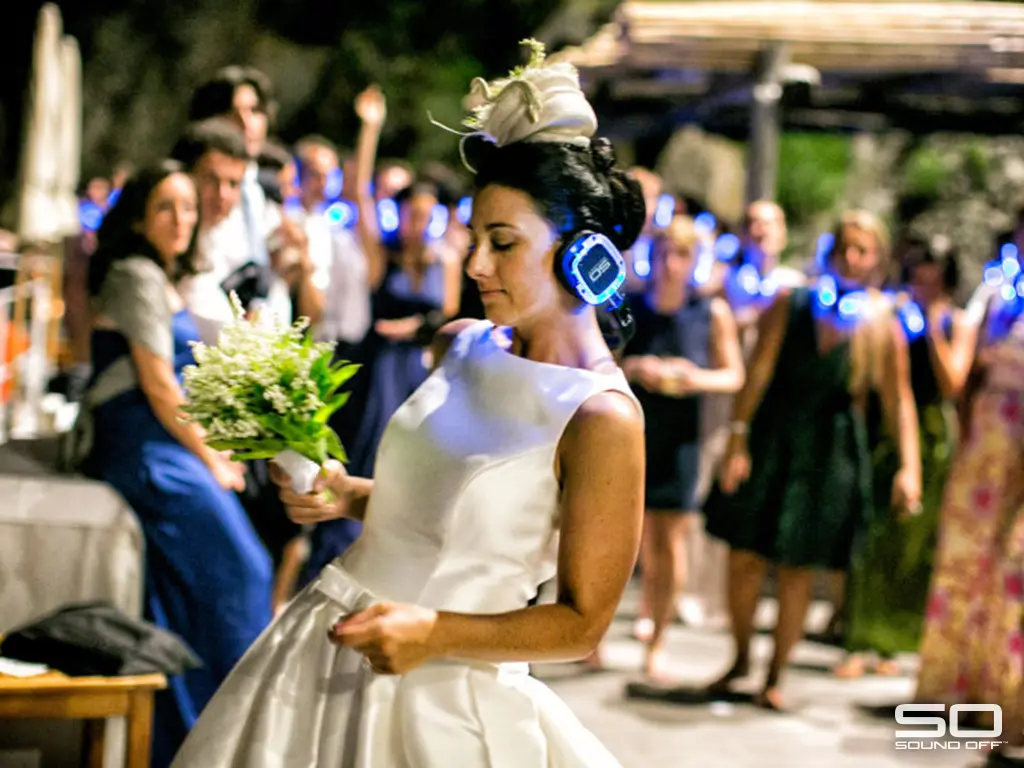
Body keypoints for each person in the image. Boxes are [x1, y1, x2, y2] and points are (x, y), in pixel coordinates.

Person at [170, 41, 646, 767]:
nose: (475, 264)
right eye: (474, 238)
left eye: (503, 242)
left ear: (583, 253)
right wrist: (346, 494)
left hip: (439, 699)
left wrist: (434, 632)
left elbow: (582, 625)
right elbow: (436, 518)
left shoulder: (601, 417)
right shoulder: (459, 344)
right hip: (321, 643)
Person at [77, 162, 272, 766]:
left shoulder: (159, 276)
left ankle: (185, 742)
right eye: (167, 207)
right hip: (141, 443)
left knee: (172, 601)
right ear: (138, 217)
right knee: (245, 571)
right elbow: (159, 383)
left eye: (188, 208)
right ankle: (230, 736)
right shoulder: (135, 274)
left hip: (159, 439)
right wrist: (211, 457)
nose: (182, 219)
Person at [703, 210, 922, 711]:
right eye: (844, 247)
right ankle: (739, 657)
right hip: (774, 437)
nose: (852, 257)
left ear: (876, 259)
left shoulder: (881, 324)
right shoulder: (791, 302)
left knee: (800, 567)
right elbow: (756, 373)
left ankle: (775, 674)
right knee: (744, 556)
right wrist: (737, 438)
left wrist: (909, 467)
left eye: (862, 250)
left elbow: (898, 401)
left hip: (831, 450)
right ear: (830, 251)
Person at [837, 239, 970, 677]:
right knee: (870, 534)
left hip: (932, 437)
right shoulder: (891, 315)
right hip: (883, 430)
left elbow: (952, 384)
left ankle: (892, 644)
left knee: (913, 543)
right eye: (918, 276)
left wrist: (931, 327)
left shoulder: (957, 321)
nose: (923, 285)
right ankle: (856, 639)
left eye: (932, 278)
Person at [621, 215, 744, 679]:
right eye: (663, 254)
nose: (670, 264)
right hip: (632, 431)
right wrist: (636, 368)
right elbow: (601, 361)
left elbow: (734, 375)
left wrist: (692, 378)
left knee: (670, 542)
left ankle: (659, 640)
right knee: (625, 538)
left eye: (681, 255)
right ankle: (600, 631)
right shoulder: (630, 307)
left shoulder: (709, 312)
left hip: (681, 437)